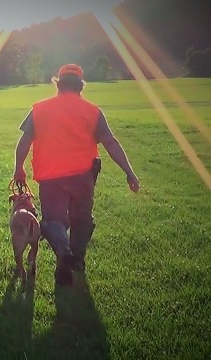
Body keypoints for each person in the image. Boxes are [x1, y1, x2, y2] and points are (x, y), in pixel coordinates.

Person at [12, 63, 140, 287]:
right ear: (80, 86)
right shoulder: (92, 111)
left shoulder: (40, 109)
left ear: (58, 84)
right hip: (83, 177)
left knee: (53, 221)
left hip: (51, 177)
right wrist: (129, 173)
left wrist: (19, 168)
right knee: (82, 220)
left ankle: (63, 252)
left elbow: (24, 141)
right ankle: (77, 260)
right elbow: (110, 142)